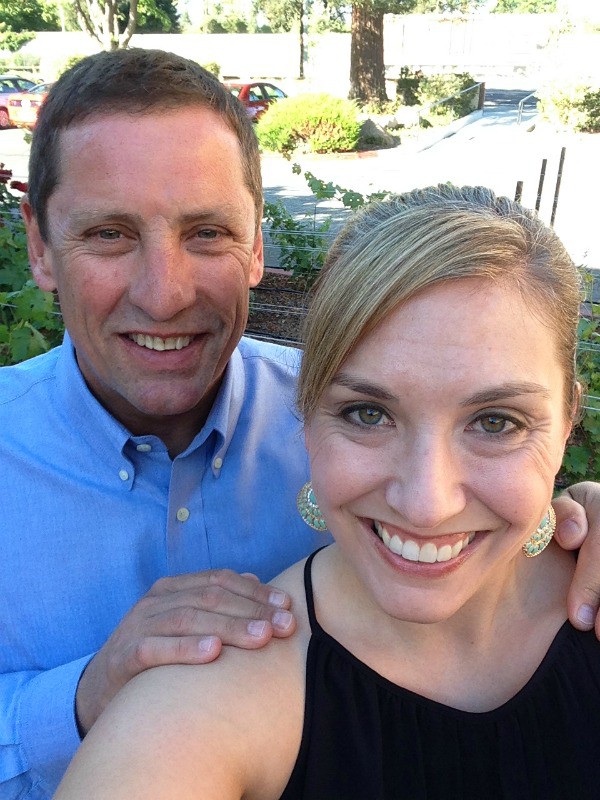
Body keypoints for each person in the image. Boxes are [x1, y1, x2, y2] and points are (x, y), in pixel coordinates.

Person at [0, 48, 598, 799]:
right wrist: (82, 698)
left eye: (208, 232)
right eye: (110, 235)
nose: (163, 295)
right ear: (37, 244)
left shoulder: (323, 395)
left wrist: (573, 508)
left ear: (258, 245)